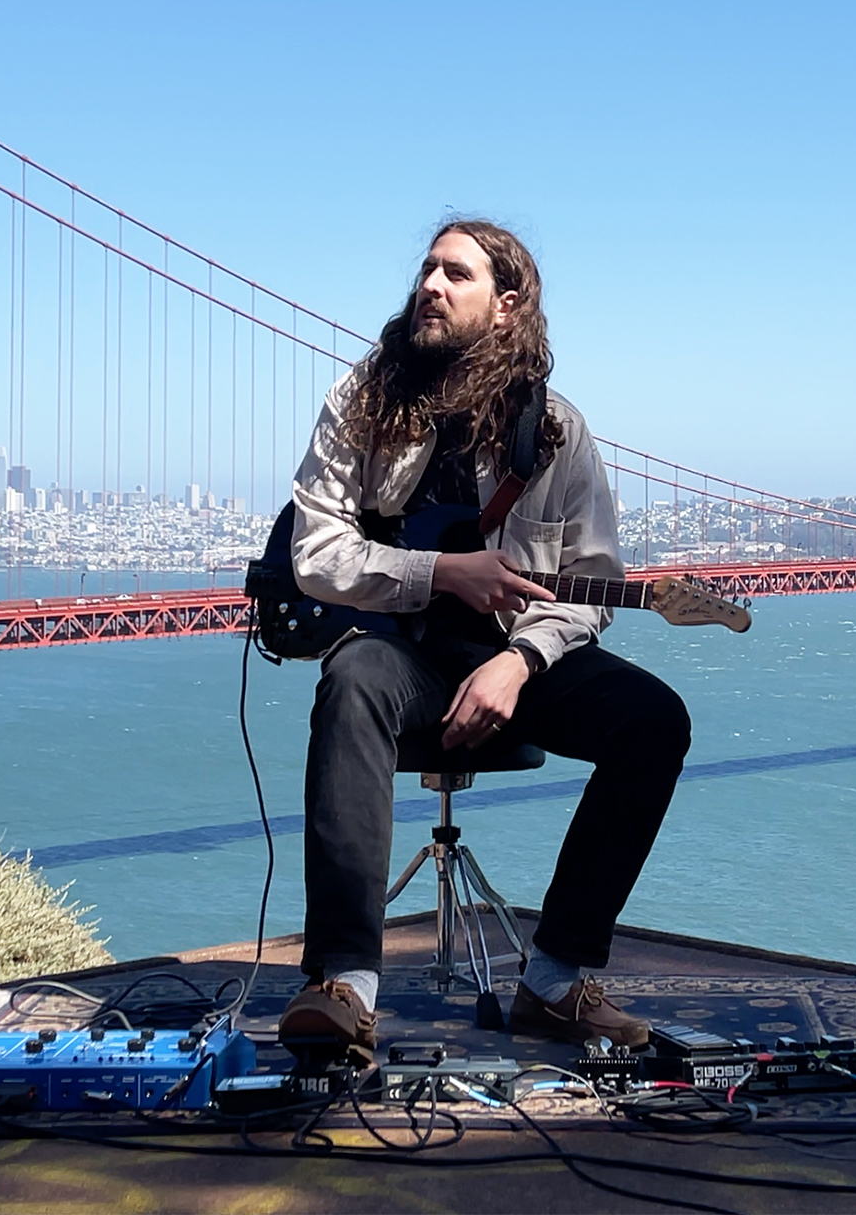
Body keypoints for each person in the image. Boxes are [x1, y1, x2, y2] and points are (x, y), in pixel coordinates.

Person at [276, 219, 690, 1057]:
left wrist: (521, 658)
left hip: (512, 656)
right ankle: (343, 986)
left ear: (505, 307)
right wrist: (440, 573)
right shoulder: (362, 402)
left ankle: (553, 982)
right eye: (427, 268)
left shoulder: (559, 431)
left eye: (454, 274)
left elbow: (594, 579)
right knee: (351, 681)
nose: (429, 283)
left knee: (655, 720)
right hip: (400, 653)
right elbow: (314, 553)